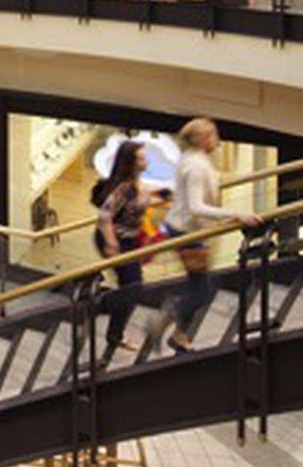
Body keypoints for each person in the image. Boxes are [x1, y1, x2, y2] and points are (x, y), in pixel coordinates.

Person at [162, 118, 260, 353]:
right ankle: (169, 324)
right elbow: (196, 206)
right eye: (213, 133)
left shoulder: (191, 158)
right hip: (188, 232)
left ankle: (178, 331)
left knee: (199, 285)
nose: (217, 137)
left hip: (185, 227)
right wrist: (237, 214)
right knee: (201, 289)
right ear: (204, 139)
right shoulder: (196, 166)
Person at [95, 140, 158, 362]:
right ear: (131, 163)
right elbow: (104, 217)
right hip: (117, 240)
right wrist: (112, 244)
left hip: (129, 240)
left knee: (130, 288)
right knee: (133, 288)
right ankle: (98, 306)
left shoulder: (137, 183)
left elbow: (139, 203)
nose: (146, 160)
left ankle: (114, 332)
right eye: (142, 158)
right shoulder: (125, 188)